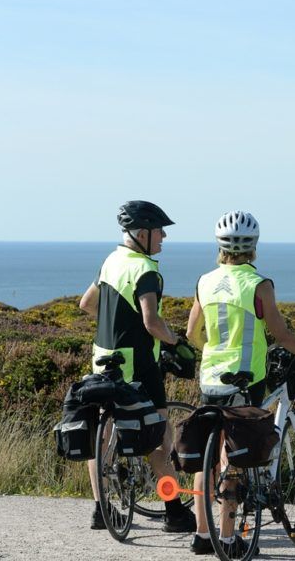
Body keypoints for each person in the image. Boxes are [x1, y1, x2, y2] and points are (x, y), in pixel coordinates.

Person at [185, 210, 295, 556]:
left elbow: (191, 333)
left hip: (210, 378)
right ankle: (227, 539)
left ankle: (201, 535)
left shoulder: (205, 281)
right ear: (253, 247)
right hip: (246, 380)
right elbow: (283, 335)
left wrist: (213, 352)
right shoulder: (259, 285)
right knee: (237, 458)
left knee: (208, 461)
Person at [79, 200, 198, 532]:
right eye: (160, 231)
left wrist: (117, 323)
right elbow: (152, 322)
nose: (163, 237)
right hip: (139, 367)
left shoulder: (112, 261)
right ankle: (174, 511)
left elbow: (86, 304)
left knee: (101, 440)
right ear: (142, 233)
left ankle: (102, 510)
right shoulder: (146, 270)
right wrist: (174, 341)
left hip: (103, 360)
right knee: (159, 438)